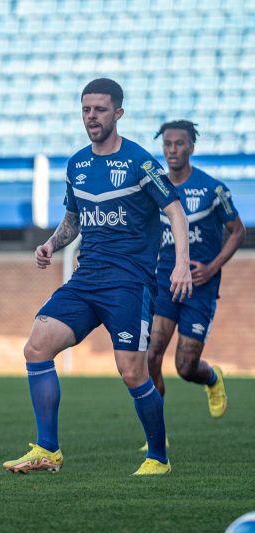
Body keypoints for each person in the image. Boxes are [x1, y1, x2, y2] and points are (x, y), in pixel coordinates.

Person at [1, 78, 192, 476]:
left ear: (117, 113)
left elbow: (175, 211)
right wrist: (51, 244)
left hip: (129, 282)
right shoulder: (77, 164)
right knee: (37, 347)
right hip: (87, 278)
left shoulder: (139, 162)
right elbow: (73, 220)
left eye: (100, 109)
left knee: (132, 372)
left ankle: (158, 458)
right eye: (86, 109)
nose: (92, 116)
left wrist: (180, 264)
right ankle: (47, 450)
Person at [145, 120, 244, 427]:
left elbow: (238, 232)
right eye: (167, 144)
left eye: (179, 144)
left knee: (185, 367)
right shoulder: (155, 188)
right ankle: (157, 437)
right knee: (150, 356)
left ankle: (212, 379)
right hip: (164, 281)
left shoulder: (213, 189)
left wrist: (212, 268)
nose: (172, 150)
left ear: (191, 147)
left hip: (200, 286)